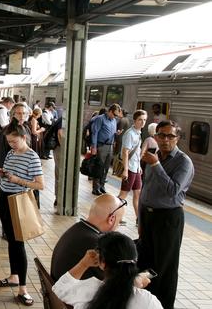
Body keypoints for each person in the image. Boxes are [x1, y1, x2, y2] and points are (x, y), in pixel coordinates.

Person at [138, 120, 194, 309]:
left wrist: (156, 166)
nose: (165, 140)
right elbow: (146, 188)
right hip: (148, 216)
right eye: (161, 135)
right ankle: (146, 302)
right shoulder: (154, 156)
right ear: (156, 137)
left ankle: (163, 305)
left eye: (170, 136)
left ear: (177, 139)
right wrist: (140, 216)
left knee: (164, 266)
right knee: (145, 259)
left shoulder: (183, 162)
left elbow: (173, 191)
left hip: (168, 218)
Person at [0, 123, 44, 306]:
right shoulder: (11, 153)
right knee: (11, 242)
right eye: (9, 142)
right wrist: (4, 175)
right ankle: (14, 276)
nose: (11, 145)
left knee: (18, 244)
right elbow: (10, 175)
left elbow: (40, 185)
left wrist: (17, 180)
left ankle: (23, 288)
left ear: (24, 137)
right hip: (4, 198)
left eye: (14, 141)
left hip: (18, 202)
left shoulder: (32, 157)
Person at [53, 232, 163, 309]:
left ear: (103, 263)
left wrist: (83, 264)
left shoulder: (86, 289)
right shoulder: (148, 301)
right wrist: (132, 285)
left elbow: (58, 289)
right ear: (135, 259)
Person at [50, 194, 126, 281]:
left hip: (58, 289)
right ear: (111, 219)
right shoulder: (95, 243)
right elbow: (113, 280)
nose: (118, 226)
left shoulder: (78, 228)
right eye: (119, 222)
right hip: (70, 293)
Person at [118, 110, 147, 226]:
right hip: (129, 168)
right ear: (135, 120)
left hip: (135, 168)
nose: (143, 122)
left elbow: (137, 152)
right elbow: (125, 152)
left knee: (137, 193)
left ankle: (138, 219)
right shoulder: (130, 134)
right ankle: (115, 215)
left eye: (144, 120)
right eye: (140, 119)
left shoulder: (138, 133)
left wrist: (139, 166)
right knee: (123, 195)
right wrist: (125, 170)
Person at [90, 104, 122, 195]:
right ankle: (95, 188)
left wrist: (116, 134)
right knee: (99, 167)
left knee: (106, 167)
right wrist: (94, 146)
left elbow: (111, 133)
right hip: (101, 146)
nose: (115, 117)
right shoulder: (100, 119)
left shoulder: (114, 121)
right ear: (110, 111)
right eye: (114, 114)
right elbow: (95, 133)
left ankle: (102, 186)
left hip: (110, 146)